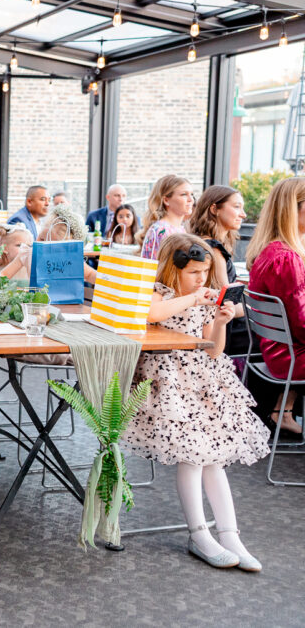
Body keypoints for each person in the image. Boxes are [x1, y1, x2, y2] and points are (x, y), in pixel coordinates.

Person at [123, 233, 268, 571]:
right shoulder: (160, 292)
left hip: (204, 382)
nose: (201, 279)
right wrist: (193, 299)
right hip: (169, 383)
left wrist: (220, 322)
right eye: (193, 273)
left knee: (213, 457)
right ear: (173, 269)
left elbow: (214, 349)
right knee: (193, 457)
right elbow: (151, 312)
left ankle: (229, 534)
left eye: (204, 272)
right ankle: (199, 534)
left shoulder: (203, 299)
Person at [246, 176, 305, 435]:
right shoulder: (287, 259)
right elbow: (301, 325)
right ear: (294, 209)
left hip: (277, 351)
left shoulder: (271, 251)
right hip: (290, 357)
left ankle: (284, 411)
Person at [189, 185, 249, 361]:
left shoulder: (200, 242)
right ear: (214, 209)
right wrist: (258, 309)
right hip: (220, 334)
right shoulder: (214, 249)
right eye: (237, 207)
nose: (243, 214)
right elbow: (226, 303)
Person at [138, 175, 194, 260]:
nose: (191, 199)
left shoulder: (180, 229)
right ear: (166, 200)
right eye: (184, 194)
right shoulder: (161, 230)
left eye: (192, 194)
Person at [37, 204, 97, 284]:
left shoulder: (71, 261)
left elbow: (90, 274)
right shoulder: (32, 255)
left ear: (64, 248)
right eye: (41, 239)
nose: (41, 244)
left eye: (50, 244)